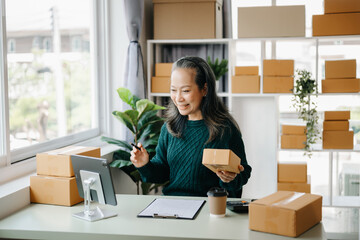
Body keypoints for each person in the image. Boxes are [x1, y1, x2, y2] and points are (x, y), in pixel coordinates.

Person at [130, 56, 252, 197]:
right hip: (173, 207)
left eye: (186, 91)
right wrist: (144, 165)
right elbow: (161, 173)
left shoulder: (224, 129)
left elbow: (243, 172)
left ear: (204, 89)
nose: (178, 98)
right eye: (173, 90)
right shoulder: (169, 128)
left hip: (210, 207)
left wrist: (231, 177)